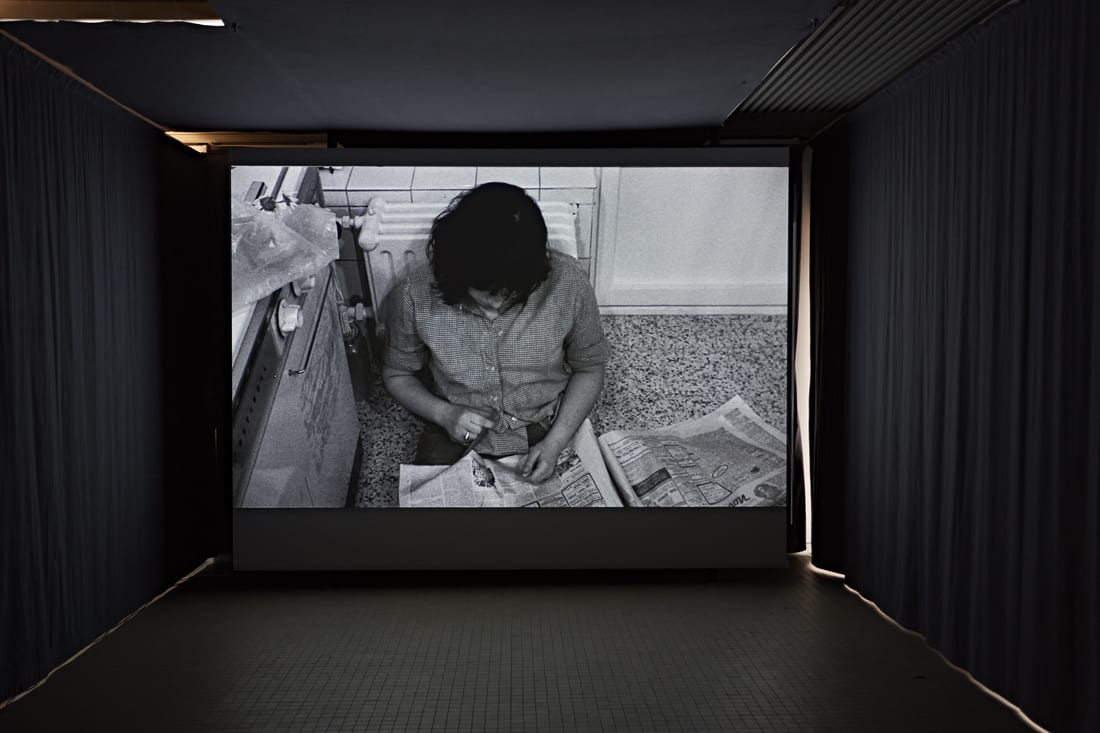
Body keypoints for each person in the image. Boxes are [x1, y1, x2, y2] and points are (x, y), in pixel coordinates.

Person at [380, 182, 611, 482]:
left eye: (511, 294)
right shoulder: (414, 295)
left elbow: (590, 367)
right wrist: (443, 414)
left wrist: (555, 443)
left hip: (545, 419)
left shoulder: (569, 283)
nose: (497, 305)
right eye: (486, 293)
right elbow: (397, 374)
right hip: (455, 424)